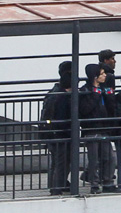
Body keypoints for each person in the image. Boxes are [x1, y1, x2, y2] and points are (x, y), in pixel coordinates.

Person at [79, 64, 116, 193]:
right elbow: (84, 110)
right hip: (91, 129)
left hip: (104, 128)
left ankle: (108, 182)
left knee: (110, 157)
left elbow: (112, 108)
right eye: (102, 73)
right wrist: (95, 95)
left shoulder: (104, 89)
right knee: (94, 159)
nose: (105, 75)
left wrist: (110, 96)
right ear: (95, 76)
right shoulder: (85, 90)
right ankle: (94, 184)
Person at [41, 62, 73, 195]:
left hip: (54, 134)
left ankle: (58, 184)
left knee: (58, 161)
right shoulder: (61, 96)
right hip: (59, 134)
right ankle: (57, 186)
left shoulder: (54, 93)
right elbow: (60, 117)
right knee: (61, 161)